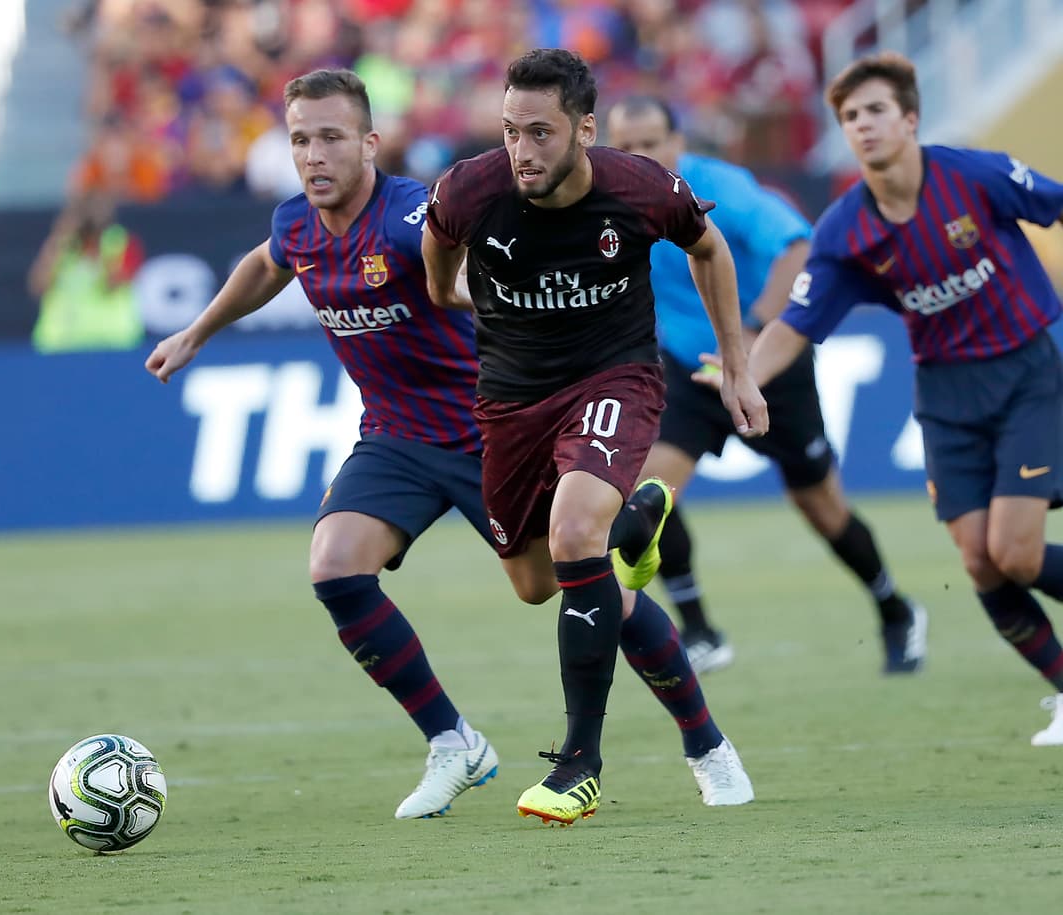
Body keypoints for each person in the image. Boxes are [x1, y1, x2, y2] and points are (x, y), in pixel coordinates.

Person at [146, 68, 678, 821]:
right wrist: (197, 331)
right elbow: (268, 265)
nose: (313, 155)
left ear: (369, 143)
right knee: (334, 566)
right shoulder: (297, 223)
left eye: (330, 137)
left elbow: (483, 262)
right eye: (300, 139)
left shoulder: (410, 216)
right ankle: (454, 742)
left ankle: (694, 716)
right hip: (395, 435)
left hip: (487, 426)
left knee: (557, 582)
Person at [422, 48, 766, 826]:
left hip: (616, 378)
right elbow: (438, 259)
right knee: (542, 582)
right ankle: (638, 525)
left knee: (575, 534)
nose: (522, 151)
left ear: (583, 128)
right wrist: (452, 291)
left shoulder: (640, 187)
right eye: (510, 131)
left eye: (539, 133)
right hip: (511, 400)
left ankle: (580, 761)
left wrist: (738, 368)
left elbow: (708, 250)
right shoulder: (470, 190)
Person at [737, 52, 1063, 746]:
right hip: (946, 394)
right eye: (850, 117)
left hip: (1027, 375)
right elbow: (793, 326)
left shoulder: (975, 175)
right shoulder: (844, 231)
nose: (863, 125)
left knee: (1019, 552)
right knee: (978, 559)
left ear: (910, 119)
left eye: (876, 110)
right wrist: (742, 380)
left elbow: (1056, 202)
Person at [605, 95, 927, 676]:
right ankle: (700, 631)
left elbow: (796, 249)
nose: (639, 156)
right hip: (687, 368)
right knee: (648, 492)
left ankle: (896, 609)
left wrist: (753, 338)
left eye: (651, 143)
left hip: (767, 367)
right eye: (625, 146)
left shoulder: (722, 187)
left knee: (822, 508)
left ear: (679, 143)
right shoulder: (608, 202)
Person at [27, 191, 145, 353]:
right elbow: (39, 286)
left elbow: (112, 284)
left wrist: (96, 245)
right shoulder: (61, 246)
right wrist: (59, 239)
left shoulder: (119, 241)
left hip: (111, 341)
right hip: (61, 343)